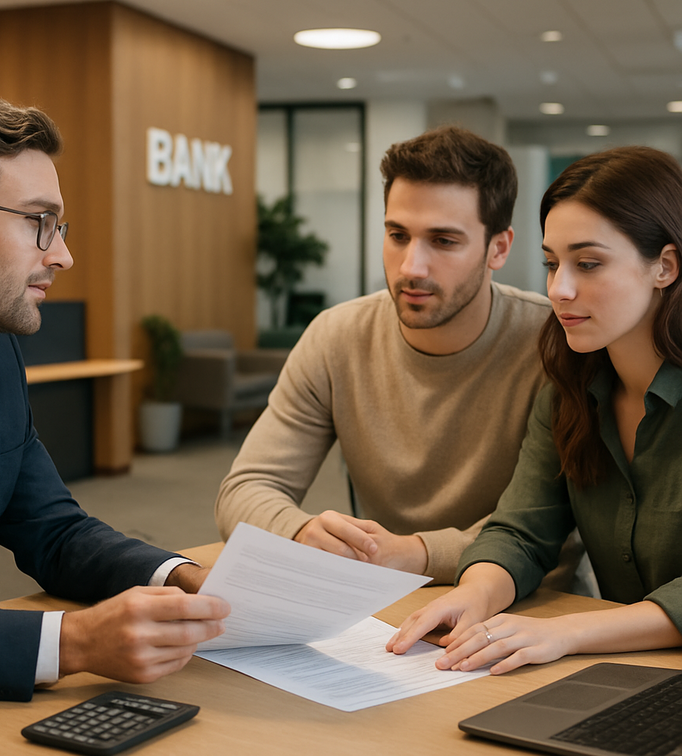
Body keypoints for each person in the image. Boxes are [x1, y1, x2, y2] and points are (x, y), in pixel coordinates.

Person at [0, 95, 229, 701]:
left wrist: (183, 579)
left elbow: (53, 529)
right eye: (37, 222)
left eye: (58, 227)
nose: (62, 255)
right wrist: (71, 643)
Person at [215, 126, 568, 586]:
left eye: (443, 241)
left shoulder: (556, 343)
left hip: (532, 604)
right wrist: (298, 532)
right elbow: (245, 489)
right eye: (398, 235)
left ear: (498, 248)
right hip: (383, 595)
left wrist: (417, 554)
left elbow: (554, 524)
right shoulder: (336, 336)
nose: (411, 267)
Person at [387, 145, 682, 674]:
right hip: (631, 675)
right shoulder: (571, 389)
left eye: (588, 264)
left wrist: (569, 631)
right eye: (552, 264)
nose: (559, 289)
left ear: (664, 266)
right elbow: (522, 531)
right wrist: (474, 595)